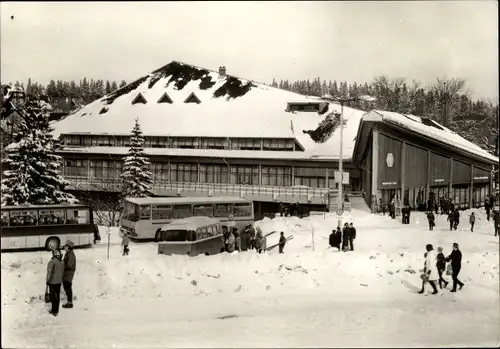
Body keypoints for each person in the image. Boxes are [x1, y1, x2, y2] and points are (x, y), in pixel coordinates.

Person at [46, 249, 64, 316]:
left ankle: (54, 311)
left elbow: (49, 272)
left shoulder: (52, 262)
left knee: (53, 297)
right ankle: (56, 310)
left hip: (52, 282)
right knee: (57, 296)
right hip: (59, 282)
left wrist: (48, 280)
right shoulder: (62, 262)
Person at [62, 241, 76, 309]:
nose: (64, 247)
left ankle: (70, 303)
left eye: (65, 246)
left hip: (68, 274)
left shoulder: (70, 254)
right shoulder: (68, 253)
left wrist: (62, 266)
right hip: (67, 273)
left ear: (68, 247)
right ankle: (69, 302)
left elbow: (69, 265)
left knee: (68, 287)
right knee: (67, 287)